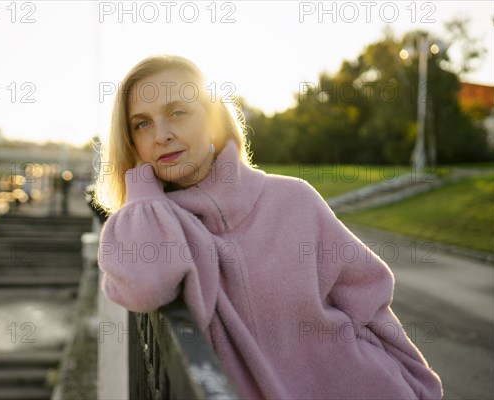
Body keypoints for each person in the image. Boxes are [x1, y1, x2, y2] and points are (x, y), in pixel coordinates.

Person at [95, 55, 442, 399]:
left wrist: (414, 383)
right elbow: (145, 286)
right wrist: (140, 188)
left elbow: (370, 302)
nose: (162, 135)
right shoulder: (159, 226)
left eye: (177, 112)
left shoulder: (294, 198)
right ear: (131, 143)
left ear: (213, 119)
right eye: (141, 124)